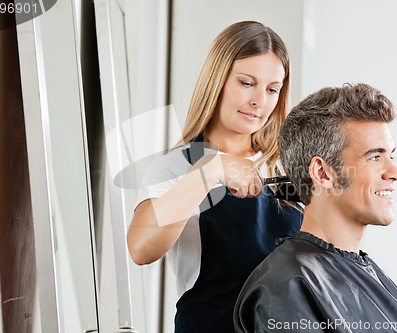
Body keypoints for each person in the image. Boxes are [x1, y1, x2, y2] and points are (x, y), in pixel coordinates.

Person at [127, 21, 302, 333]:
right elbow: (141, 249)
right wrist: (211, 170)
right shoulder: (176, 167)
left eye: (272, 89)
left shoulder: (284, 170)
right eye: (247, 83)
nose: (259, 101)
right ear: (216, 80)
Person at [234, 83, 397, 333]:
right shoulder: (286, 287)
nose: (395, 172)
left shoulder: (371, 275)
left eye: (391, 156)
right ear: (323, 173)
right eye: (374, 157)